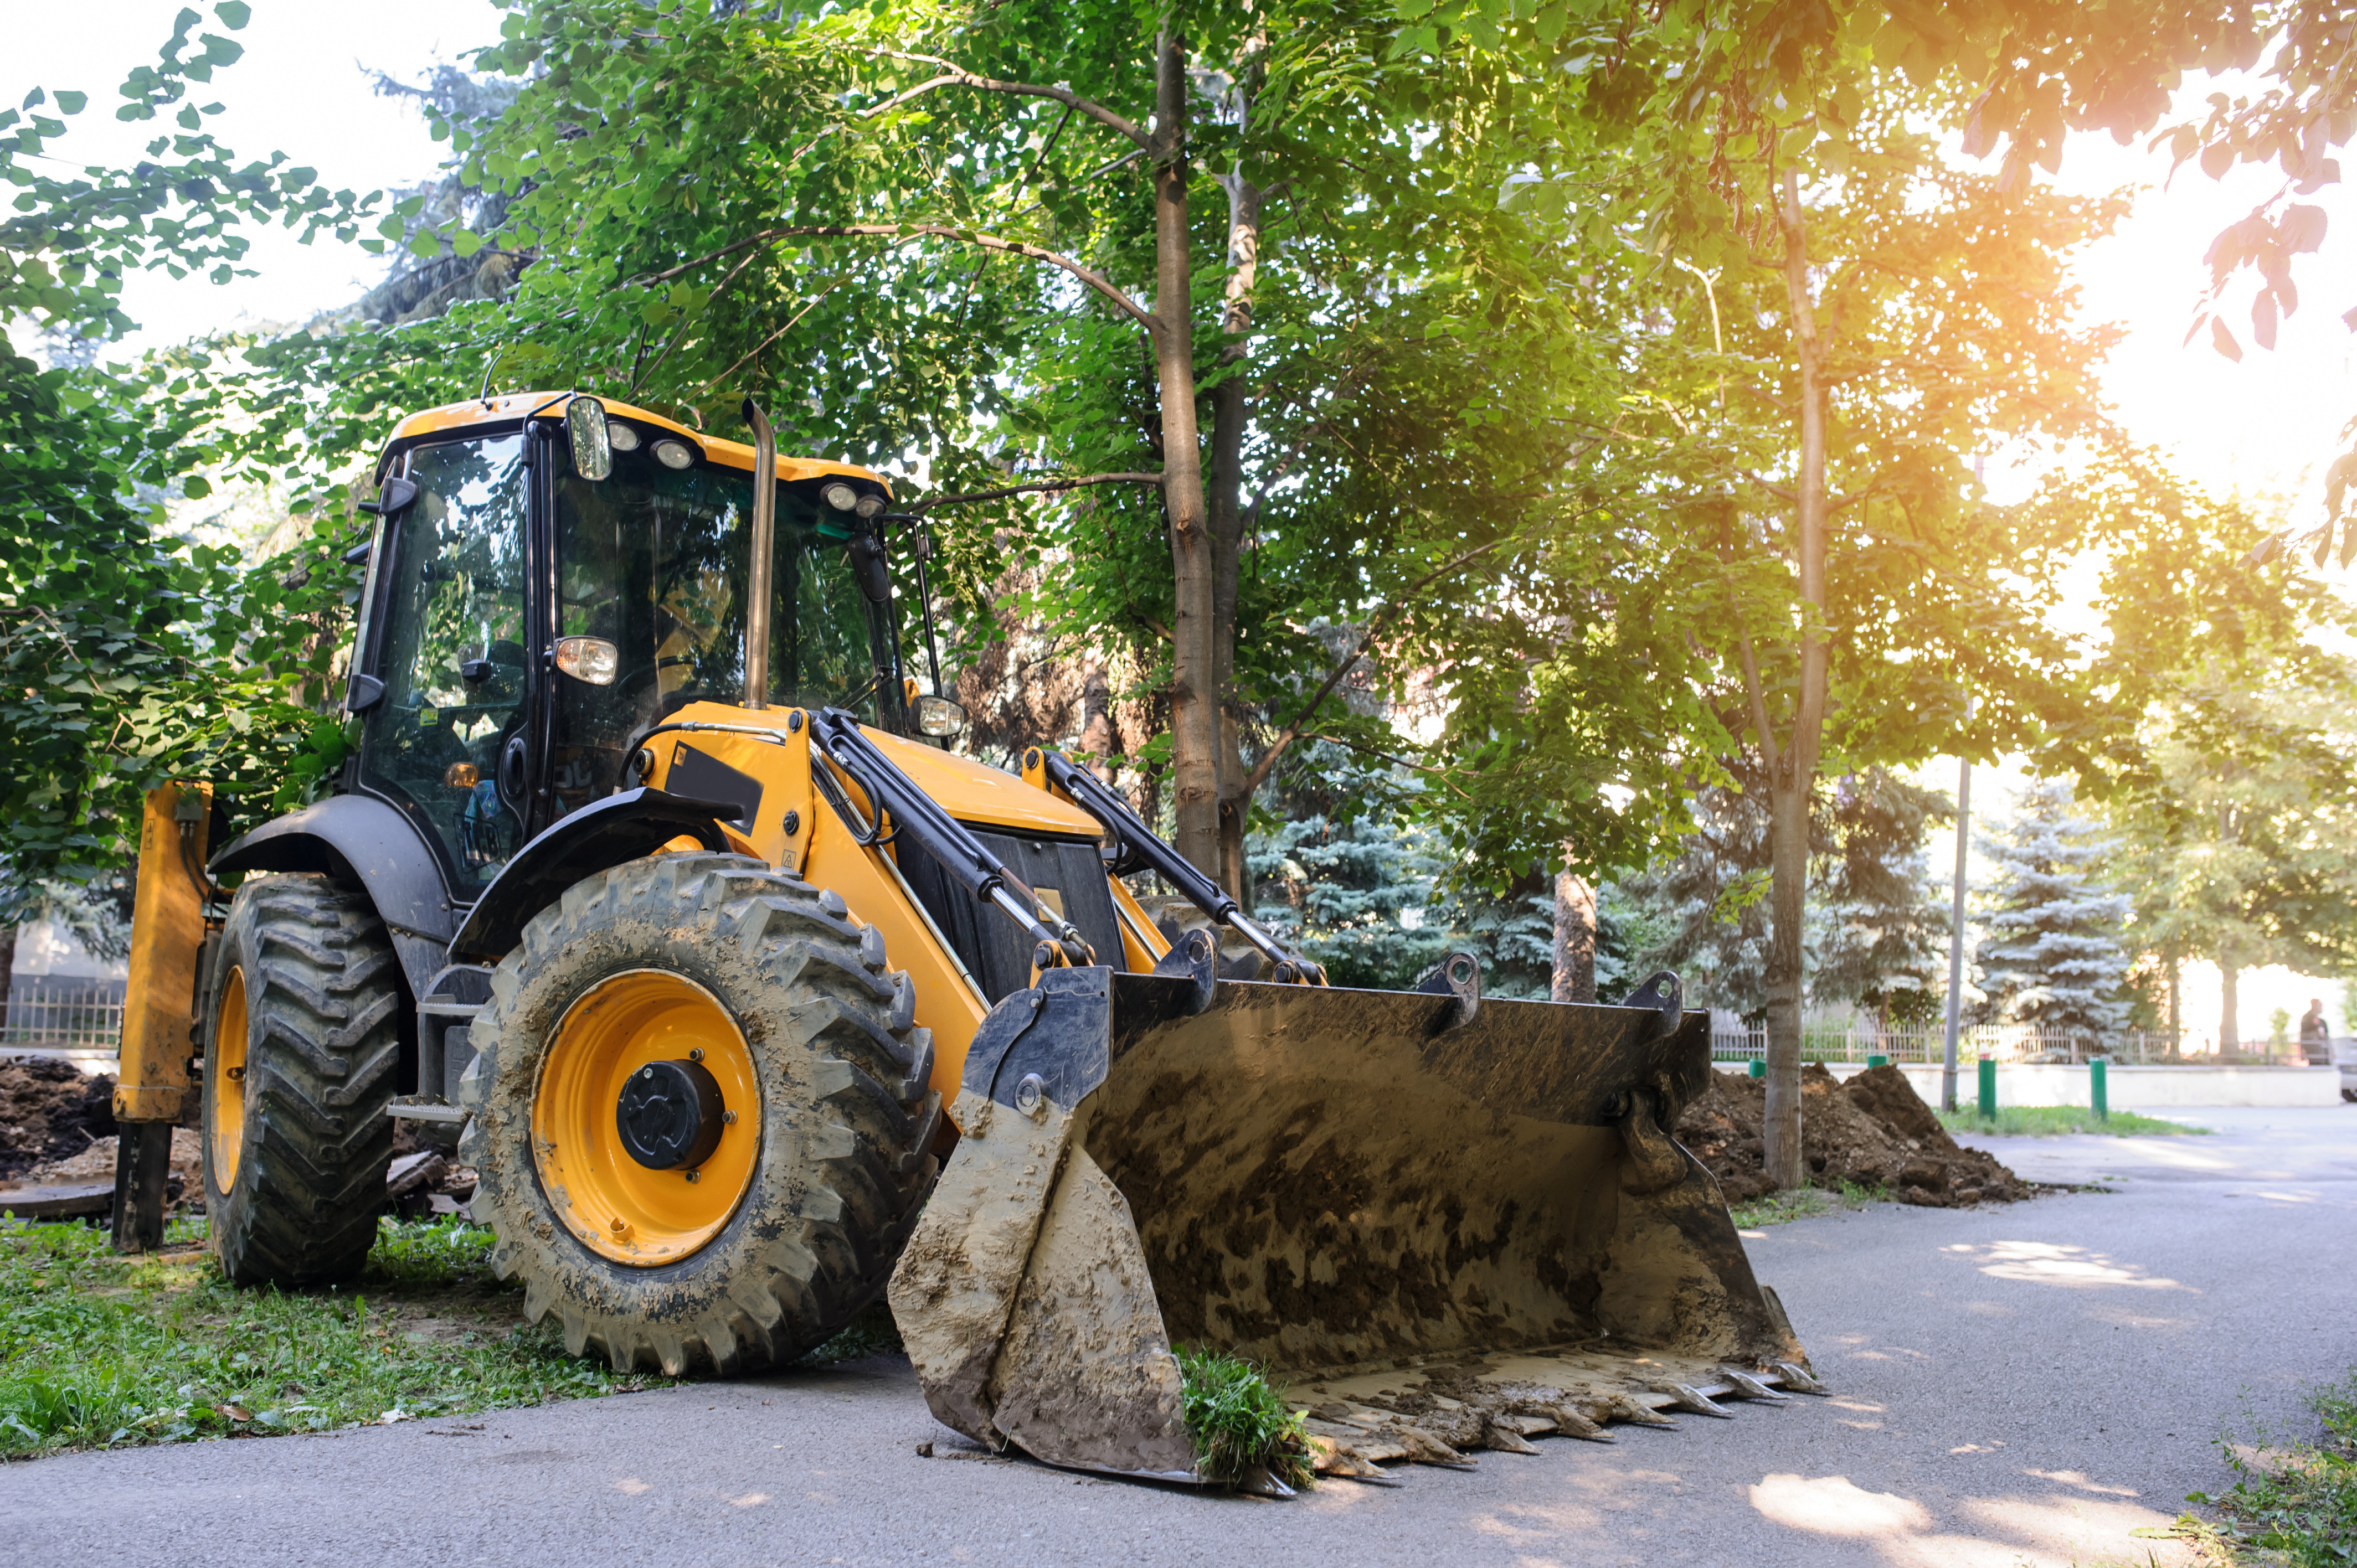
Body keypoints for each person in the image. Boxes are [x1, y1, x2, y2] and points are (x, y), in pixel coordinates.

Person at [2299, 997, 2332, 1065]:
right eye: (2318, 1005)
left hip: (2323, 1053)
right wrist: (2302, 1050)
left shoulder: (2322, 1022)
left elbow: (2326, 1036)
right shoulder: (2307, 1018)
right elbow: (2304, 1035)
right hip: (2314, 1052)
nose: (2320, 1008)